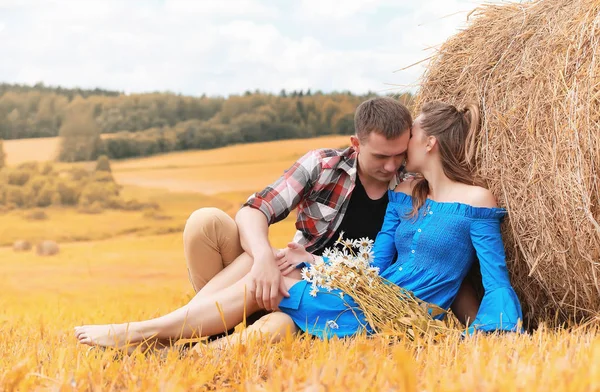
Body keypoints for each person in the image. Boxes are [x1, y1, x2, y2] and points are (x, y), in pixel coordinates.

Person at [74, 100, 521, 348]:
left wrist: (487, 332)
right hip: (351, 283)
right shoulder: (376, 182)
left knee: (272, 315)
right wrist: (291, 261)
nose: (392, 164)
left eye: (401, 151)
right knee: (260, 270)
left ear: (425, 143)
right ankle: (155, 333)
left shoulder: (451, 194)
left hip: (388, 305)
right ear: (356, 144)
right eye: (381, 155)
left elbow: (481, 275)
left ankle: (164, 340)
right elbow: (379, 261)